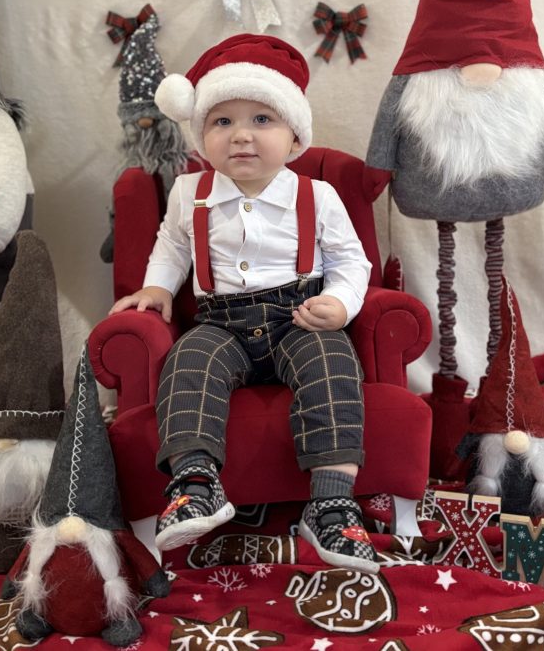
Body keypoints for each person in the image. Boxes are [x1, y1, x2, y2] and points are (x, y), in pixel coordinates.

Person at [109, 34, 377, 573]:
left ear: (294, 136)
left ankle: (332, 503)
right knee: (188, 362)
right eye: (222, 122)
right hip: (222, 323)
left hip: (299, 317)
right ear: (201, 135)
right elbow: (172, 247)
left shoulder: (316, 195)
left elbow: (353, 262)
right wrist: (158, 287)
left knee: (331, 363)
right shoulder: (189, 192)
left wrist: (339, 303)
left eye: (261, 120)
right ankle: (195, 484)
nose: (241, 136)